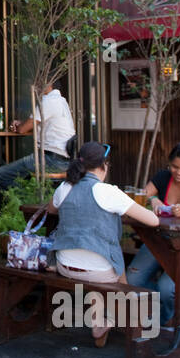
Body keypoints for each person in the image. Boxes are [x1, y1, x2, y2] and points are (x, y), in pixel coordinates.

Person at [47, 142, 160, 346]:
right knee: (113, 266)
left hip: (65, 266)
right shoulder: (108, 191)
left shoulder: (64, 187)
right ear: (104, 165)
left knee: (98, 266)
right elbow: (153, 221)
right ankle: (129, 323)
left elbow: (51, 210)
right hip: (98, 270)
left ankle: (102, 321)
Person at [124, 142, 180, 324]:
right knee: (132, 278)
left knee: (167, 288)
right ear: (169, 164)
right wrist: (154, 200)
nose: (178, 172)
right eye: (174, 167)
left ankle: (165, 319)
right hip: (161, 240)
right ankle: (158, 311)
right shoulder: (162, 176)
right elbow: (143, 195)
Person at [0, 77, 76, 190]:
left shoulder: (48, 101)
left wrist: (20, 126)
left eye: (39, 82)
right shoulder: (62, 101)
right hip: (64, 160)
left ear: (49, 84)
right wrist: (23, 124)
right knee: (23, 177)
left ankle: (23, 203)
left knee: (2, 175)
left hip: (50, 160)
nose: (36, 86)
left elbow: (22, 130)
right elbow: (40, 125)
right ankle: (32, 199)